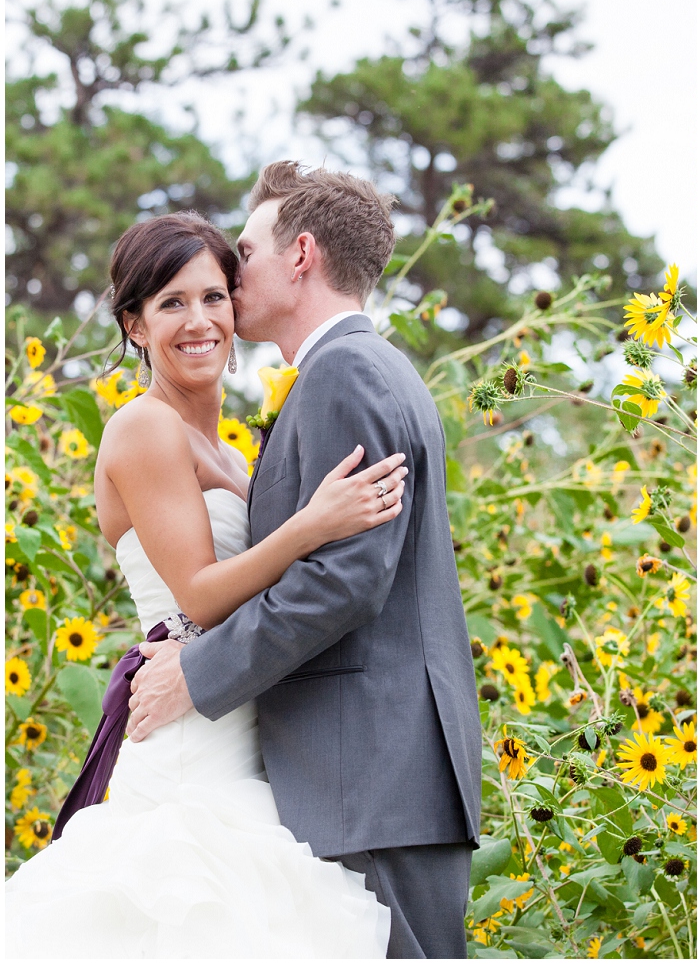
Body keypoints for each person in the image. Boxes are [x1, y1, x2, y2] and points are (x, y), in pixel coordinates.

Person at [6, 211, 401, 956]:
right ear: (135, 324)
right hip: (191, 744)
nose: (200, 321)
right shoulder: (142, 427)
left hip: (247, 725)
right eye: (171, 303)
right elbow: (199, 593)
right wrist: (311, 524)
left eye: (214, 296)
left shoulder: (237, 442)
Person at [125, 162, 483, 958]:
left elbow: (343, 580)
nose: (230, 274)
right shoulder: (357, 368)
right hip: (371, 769)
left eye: (244, 254)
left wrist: (198, 670)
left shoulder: (344, 372)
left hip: (371, 770)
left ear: (302, 255)